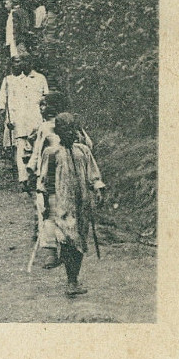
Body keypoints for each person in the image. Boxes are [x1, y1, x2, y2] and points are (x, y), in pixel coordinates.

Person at [35, 113, 105, 297]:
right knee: (67, 241)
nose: (71, 134)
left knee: (80, 241)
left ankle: (74, 277)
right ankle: (71, 280)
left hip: (82, 204)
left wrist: (98, 189)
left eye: (73, 129)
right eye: (66, 129)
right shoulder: (51, 153)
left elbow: (93, 174)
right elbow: (44, 182)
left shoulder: (82, 151)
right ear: (58, 131)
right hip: (62, 205)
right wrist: (47, 206)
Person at [0, 54, 48, 190]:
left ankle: (36, 177)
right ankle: (23, 180)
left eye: (26, 61)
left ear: (31, 63)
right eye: (21, 62)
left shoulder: (40, 79)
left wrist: (45, 116)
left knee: (36, 148)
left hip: (36, 120)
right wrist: (9, 119)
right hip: (20, 121)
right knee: (21, 149)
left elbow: (45, 99)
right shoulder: (15, 81)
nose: (23, 64)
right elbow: (10, 102)